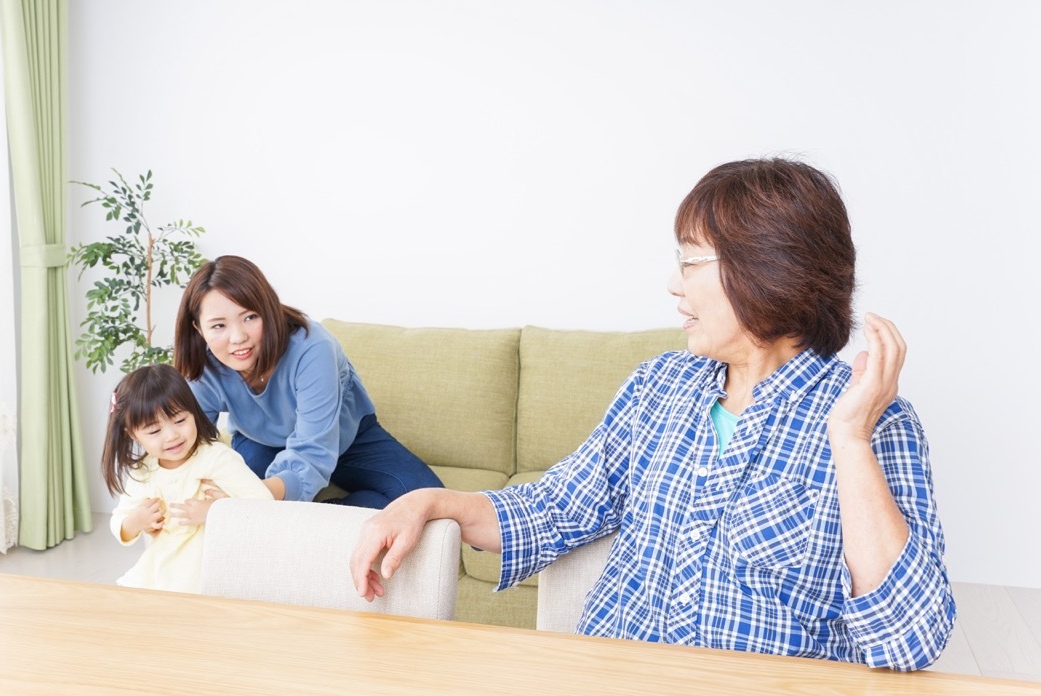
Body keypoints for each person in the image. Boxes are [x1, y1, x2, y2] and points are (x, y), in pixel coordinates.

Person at [350, 158, 955, 672]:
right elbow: (553, 509)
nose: (673, 283)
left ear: (770, 269)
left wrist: (849, 440)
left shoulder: (877, 424)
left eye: (692, 261)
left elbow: (907, 642)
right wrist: (431, 501)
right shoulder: (658, 387)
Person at [173, 255, 443, 508]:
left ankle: (313, 520)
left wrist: (252, 496)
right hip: (261, 443)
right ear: (198, 328)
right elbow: (188, 445)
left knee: (429, 501)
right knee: (238, 503)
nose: (237, 337)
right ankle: (302, 523)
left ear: (268, 310)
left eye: (250, 317)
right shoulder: (203, 365)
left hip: (344, 438)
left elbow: (313, 451)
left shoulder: (312, 347)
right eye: (218, 325)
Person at [102, 364, 273, 593]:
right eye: (154, 431)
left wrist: (215, 511)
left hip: (211, 576)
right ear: (132, 434)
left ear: (193, 411)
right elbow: (120, 522)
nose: (172, 435)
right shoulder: (144, 471)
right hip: (159, 574)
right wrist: (137, 521)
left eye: (180, 420)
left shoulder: (216, 458)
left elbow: (265, 505)